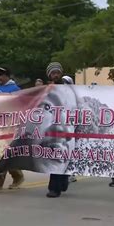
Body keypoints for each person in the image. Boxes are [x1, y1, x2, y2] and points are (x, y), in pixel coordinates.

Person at [0, 66, 24, 192]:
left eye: (1, 75)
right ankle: (17, 175)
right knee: (2, 155)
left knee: (2, 155)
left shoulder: (14, 89)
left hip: (9, 127)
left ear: (7, 76)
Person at [45, 62, 72, 198]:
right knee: (55, 157)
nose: (55, 75)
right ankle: (54, 187)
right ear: (49, 75)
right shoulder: (46, 89)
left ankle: (61, 181)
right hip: (52, 127)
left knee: (64, 154)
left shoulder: (69, 89)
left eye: (57, 72)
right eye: (53, 73)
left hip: (67, 126)